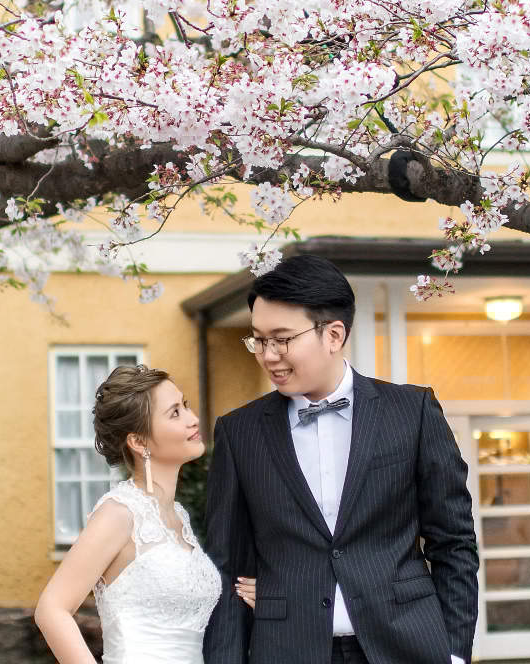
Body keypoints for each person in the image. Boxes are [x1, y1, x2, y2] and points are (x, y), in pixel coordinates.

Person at [203, 254, 479, 664]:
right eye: (259, 340)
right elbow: (226, 567)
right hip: (288, 651)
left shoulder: (412, 411)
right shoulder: (239, 432)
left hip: (407, 646)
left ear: (333, 335)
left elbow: (453, 542)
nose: (268, 355)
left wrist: (454, 654)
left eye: (282, 338)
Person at [36, 365, 256, 663]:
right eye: (175, 413)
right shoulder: (119, 513)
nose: (193, 419)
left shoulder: (178, 516)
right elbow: (52, 609)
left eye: (186, 406)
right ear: (138, 442)